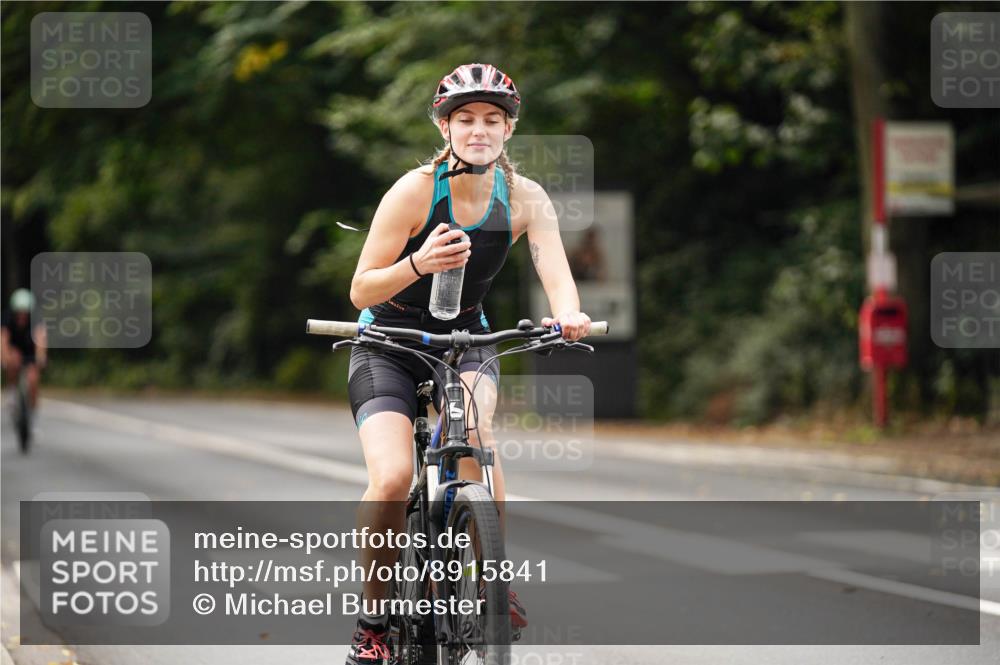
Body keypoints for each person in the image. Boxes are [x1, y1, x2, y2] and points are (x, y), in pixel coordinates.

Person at [344, 63, 591, 665]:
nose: (479, 130)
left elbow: (554, 269)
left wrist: (570, 314)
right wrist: (418, 264)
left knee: (478, 440)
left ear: (508, 130)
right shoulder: (412, 191)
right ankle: (373, 626)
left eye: (492, 120)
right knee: (394, 476)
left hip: (465, 342)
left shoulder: (525, 196)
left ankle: (492, 582)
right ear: (444, 126)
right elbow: (360, 291)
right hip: (388, 345)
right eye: (465, 119)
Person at [1, 289, 47, 411]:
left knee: (33, 379)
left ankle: (33, 411)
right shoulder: (7, 317)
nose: (22, 315)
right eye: (19, 312)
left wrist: (40, 357)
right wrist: (4, 358)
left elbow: (41, 338)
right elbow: (3, 339)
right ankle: (12, 390)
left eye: (25, 312)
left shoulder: (36, 318)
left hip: (30, 349)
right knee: (13, 360)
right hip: (14, 348)